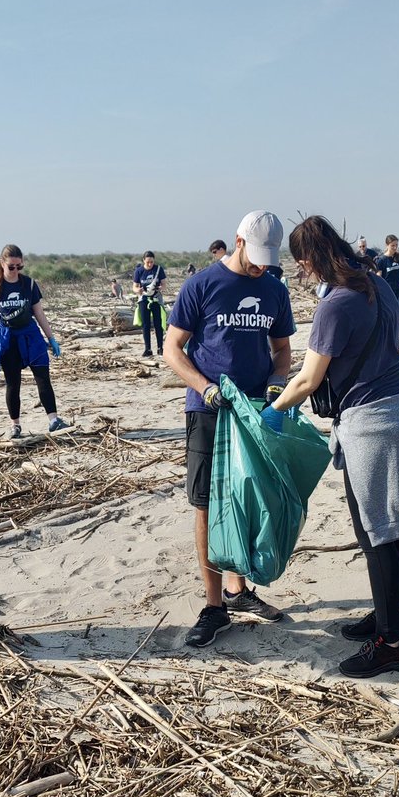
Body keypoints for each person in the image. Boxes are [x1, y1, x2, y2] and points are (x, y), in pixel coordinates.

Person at [261, 215, 399, 679]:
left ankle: (390, 644)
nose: (302, 272)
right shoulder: (375, 284)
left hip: (374, 424)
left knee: (375, 533)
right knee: (394, 528)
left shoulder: (335, 304)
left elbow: (309, 378)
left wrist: (273, 411)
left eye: (301, 264)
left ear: (309, 260)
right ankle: (390, 617)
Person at [164, 210, 295, 648]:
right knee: (205, 503)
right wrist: (204, 387)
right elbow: (172, 347)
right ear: (238, 241)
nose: (260, 267)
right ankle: (214, 604)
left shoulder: (275, 290)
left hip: (254, 411)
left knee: (244, 498)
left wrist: (277, 384)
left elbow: (281, 351)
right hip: (208, 409)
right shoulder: (201, 285)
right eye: (255, 257)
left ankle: (238, 592)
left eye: (267, 260)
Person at [0, 244, 68, 438]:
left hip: (31, 338)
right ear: (2, 263)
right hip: (8, 340)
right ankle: (15, 425)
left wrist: (51, 339)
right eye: (11, 266)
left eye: (19, 267)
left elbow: (39, 313)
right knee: (13, 384)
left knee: (43, 379)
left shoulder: (29, 284)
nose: (15, 271)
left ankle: (54, 421)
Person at [132, 251, 168, 357]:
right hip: (144, 299)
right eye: (148, 262)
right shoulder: (139, 271)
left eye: (151, 262)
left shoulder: (158, 269)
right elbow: (134, 286)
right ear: (144, 260)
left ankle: (160, 347)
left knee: (158, 323)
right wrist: (138, 290)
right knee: (146, 324)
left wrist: (160, 288)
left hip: (156, 298)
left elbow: (164, 284)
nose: (150, 264)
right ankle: (147, 348)